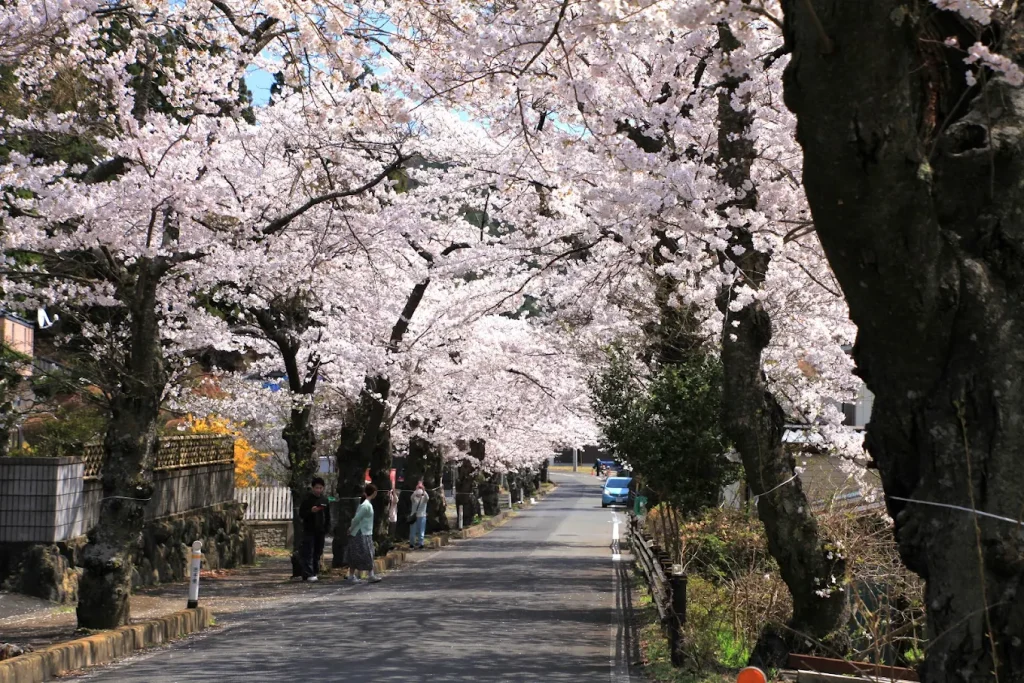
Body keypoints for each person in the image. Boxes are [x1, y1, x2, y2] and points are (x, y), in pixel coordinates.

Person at [345, 483, 382, 584]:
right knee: (364, 554)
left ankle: (366, 574)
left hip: (365, 532)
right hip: (361, 533)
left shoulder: (366, 504)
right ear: (374, 493)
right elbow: (357, 518)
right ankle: (360, 575)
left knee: (365, 554)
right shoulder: (366, 505)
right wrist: (351, 528)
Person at [298, 477, 331, 583]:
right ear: (313, 488)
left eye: (321, 488)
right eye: (317, 488)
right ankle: (309, 573)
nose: (319, 490)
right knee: (309, 552)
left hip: (320, 530)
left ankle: (315, 572)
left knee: (318, 552)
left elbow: (328, 516)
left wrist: (327, 528)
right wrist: (310, 511)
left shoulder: (325, 500)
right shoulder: (307, 499)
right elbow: (301, 514)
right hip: (309, 529)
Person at [408, 480, 429, 549]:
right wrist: (418, 489)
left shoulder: (424, 499)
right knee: (415, 531)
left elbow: (427, 497)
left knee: (420, 531)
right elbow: (411, 497)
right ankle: (413, 543)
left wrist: (423, 490)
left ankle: (419, 543)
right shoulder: (414, 498)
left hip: (421, 516)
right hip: (416, 516)